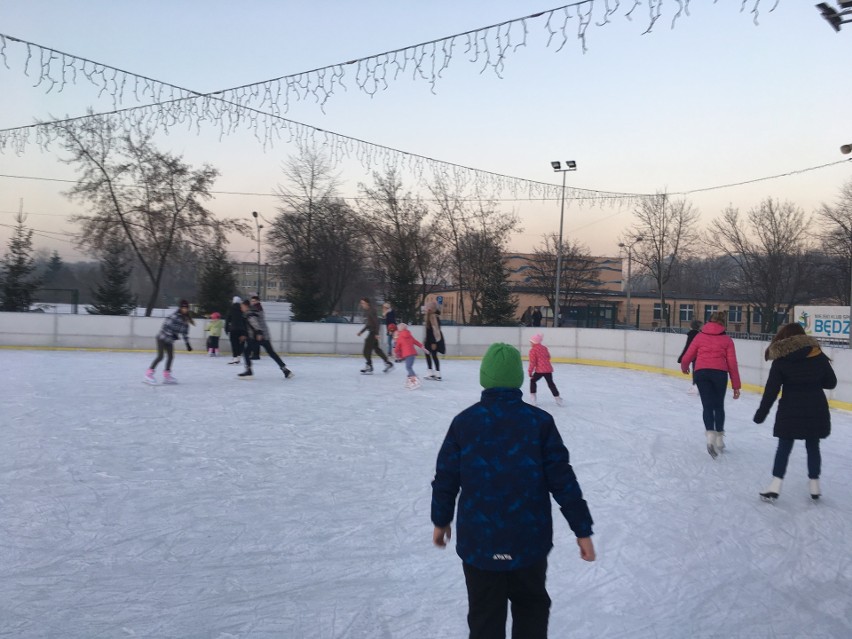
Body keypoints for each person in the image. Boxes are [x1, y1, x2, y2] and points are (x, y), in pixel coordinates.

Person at [431, 342, 595, 639]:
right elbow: (563, 481)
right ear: (518, 379)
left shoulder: (465, 422)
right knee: (531, 611)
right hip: (528, 543)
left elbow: (446, 479)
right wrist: (582, 529)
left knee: (484, 619)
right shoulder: (539, 422)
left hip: (480, 543)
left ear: (485, 378)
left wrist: (440, 521)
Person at [753, 323, 837, 502]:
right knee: (813, 445)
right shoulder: (817, 355)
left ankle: (775, 485)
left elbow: (771, 391)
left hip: (790, 408)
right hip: (816, 407)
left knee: (784, 446)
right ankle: (814, 485)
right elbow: (831, 383)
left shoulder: (781, 360)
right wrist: (812, 378)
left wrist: (761, 413)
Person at [680, 311, 741, 458]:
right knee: (718, 406)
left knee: (707, 406)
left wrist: (684, 366)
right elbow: (732, 364)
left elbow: (688, 354)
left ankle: (710, 436)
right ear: (723, 324)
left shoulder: (700, 336)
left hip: (701, 373)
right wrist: (736, 386)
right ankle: (719, 439)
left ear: (709, 321)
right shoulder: (727, 340)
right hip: (719, 374)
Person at [239, 299, 293, 380]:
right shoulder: (256, 311)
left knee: (246, 352)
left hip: (256, 337)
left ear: (246, 306)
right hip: (265, 335)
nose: (241, 308)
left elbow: (254, 324)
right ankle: (285, 370)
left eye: (242, 306)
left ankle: (249, 371)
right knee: (271, 353)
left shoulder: (250, 314)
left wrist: (259, 333)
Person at [144, 300, 194, 384]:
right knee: (160, 356)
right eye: (183, 307)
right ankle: (148, 374)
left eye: (186, 308)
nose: (184, 309)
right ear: (180, 308)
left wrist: (187, 344)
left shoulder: (186, 320)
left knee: (171, 357)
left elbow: (185, 333)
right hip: (162, 338)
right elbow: (166, 326)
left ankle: (166, 376)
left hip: (169, 340)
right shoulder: (174, 316)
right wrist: (172, 334)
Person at [357, 297, 393, 374]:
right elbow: (369, 324)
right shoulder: (368, 311)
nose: (361, 304)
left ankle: (369, 366)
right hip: (373, 332)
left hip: (373, 332)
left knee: (366, 350)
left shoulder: (371, 311)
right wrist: (361, 331)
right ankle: (388, 363)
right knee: (377, 349)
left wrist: (376, 333)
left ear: (367, 303)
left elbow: (377, 323)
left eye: (362, 303)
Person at [527, 333, 562, 407]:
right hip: (548, 369)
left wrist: (530, 371)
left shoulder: (532, 350)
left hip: (539, 370)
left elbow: (532, 362)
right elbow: (548, 357)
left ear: (534, 342)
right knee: (551, 383)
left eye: (531, 342)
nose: (530, 343)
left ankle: (533, 398)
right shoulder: (544, 348)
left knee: (532, 381)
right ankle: (557, 398)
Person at [393, 322, 425, 389]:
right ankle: (409, 381)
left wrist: (395, 353)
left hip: (408, 354)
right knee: (409, 367)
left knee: (408, 367)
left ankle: (415, 381)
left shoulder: (400, 336)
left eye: (398, 328)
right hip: (412, 354)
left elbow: (397, 346)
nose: (398, 329)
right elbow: (415, 341)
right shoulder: (409, 335)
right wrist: (422, 346)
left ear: (401, 329)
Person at [677, 320, 703, 395]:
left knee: (696, 371)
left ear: (691, 326)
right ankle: (697, 386)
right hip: (701, 355)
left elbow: (687, 347)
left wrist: (682, 357)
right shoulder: (701, 334)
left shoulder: (692, 335)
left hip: (695, 356)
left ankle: (695, 386)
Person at [423, 300, 445, 380]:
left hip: (432, 340)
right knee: (432, 355)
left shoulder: (433, 317)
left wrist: (433, 342)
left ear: (431, 309)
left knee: (431, 355)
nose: (426, 309)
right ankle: (435, 373)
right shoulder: (432, 316)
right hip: (430, 339)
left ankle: (433, 373)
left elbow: (435, 330)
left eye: (427, 308)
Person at [224, 296, 246, 365]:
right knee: (241, 342)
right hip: (242, 329)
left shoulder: (231, 309)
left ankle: (235, 357)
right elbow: (245, 320)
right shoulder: (242, 309)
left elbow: (227, 319)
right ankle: (238, 356)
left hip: (233, 329)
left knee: (234, 343)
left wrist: (226, 329)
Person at [248, 295, 264, 360]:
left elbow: (256, 317)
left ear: (257, 301)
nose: (253, 302)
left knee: (255, 341)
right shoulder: (256, 307)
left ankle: (256, 355)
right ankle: (255, 354)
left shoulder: (257, 307)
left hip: (256, 327)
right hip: (256, 326)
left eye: (254, 301)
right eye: (252, 301)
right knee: (255, 341)